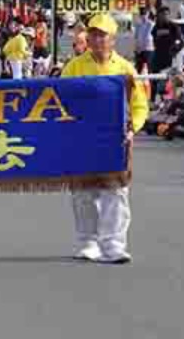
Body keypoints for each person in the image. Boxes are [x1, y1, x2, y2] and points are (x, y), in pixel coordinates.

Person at [61, 14, 148, 264]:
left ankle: (113, 245)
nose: (97, 39)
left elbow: (139, 105)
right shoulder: (75, 67)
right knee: (83, 192)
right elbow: (59, 99)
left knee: (116, 192)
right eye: (93, 34)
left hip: (115, 142)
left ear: (112, 39)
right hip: (83, 139)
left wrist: (133, 129)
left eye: (102, 35)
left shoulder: (125, 69)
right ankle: (88, 241)